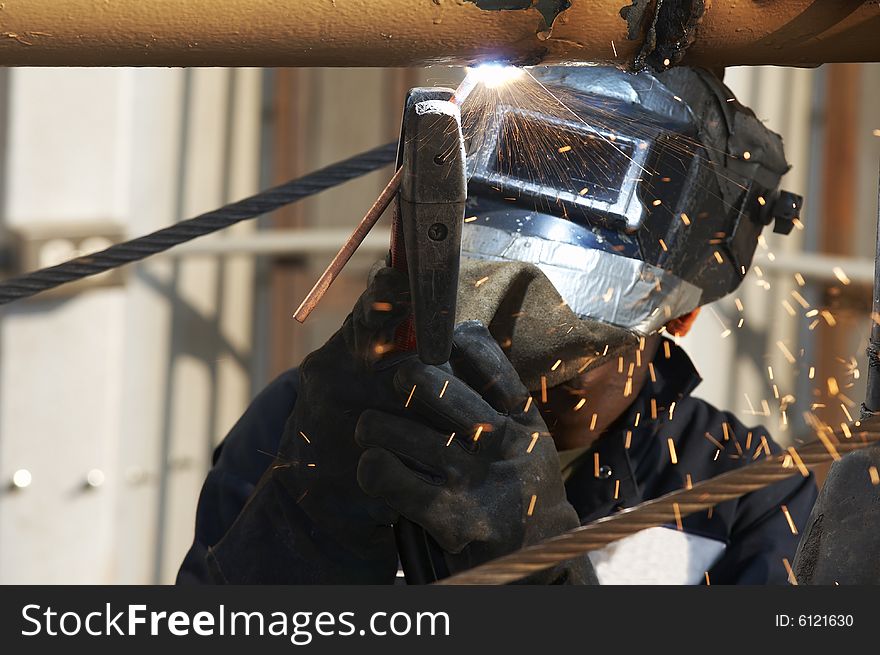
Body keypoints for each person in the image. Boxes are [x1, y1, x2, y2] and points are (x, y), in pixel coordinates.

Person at [177, 65, 816, 585]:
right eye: (480, 307)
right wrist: (309, 521)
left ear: (681, 313)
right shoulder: (314, 414)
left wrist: (543, 578)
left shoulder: (748, 492)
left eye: (574, 347)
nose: (515, 369)